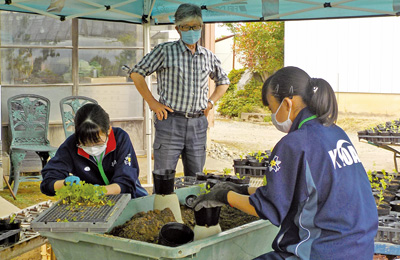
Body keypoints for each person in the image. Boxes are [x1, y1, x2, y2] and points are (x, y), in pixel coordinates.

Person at [193, 66, 378, 259]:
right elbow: (298, 192)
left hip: (325, 252)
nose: (273, 116)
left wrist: (224, 195)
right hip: (359, 248)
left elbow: (268, 208)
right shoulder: (335, 133)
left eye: (273, 108)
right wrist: (243, 189)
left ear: (288, 103)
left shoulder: (295, 144)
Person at [128, 3, 230, 176]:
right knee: (164, 177)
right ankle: (164, 203)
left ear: (201, 27)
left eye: (195, 26)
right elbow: (137, 74)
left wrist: (210, 103)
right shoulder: (164, 51)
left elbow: (224, 81)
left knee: (197, 178)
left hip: (198, 124)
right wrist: (153, 103)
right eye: (186, 27)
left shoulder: (208, 56)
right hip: (170, 122)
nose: (191, 30)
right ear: (178, 29)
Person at [40, 103, 148, 199]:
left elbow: (126, 182)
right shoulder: (71, 145)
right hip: (93, 204)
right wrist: (65, 184)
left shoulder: (120, 138)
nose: (91, 147)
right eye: (85, 143)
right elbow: (48, 181)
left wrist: (100, 191)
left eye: (97, 142)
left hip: (130, 199)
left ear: (108, 130)